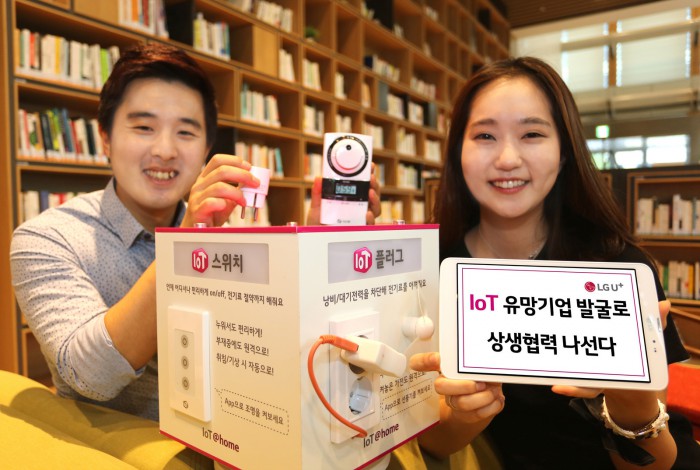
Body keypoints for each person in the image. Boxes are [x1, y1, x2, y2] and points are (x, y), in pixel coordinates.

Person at [10, 42, 380, 421]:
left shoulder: (233, 232)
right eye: (144, 127)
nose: (165, 150)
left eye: (186, 132)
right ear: (105, 136)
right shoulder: (47, 238)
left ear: (207, 148)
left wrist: (321, 243)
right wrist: (186, 248)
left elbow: (282, 346)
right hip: (118, 447)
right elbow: (90, 376)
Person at [409, 56, 700, 469]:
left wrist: (633, 410)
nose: (507, 159)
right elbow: (435, 447)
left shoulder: (617, 269)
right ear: (458, 152)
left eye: (531, 134)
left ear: (564, 152)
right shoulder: (431, 270)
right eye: (485, 135)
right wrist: (464, 415)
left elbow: (657, 462)